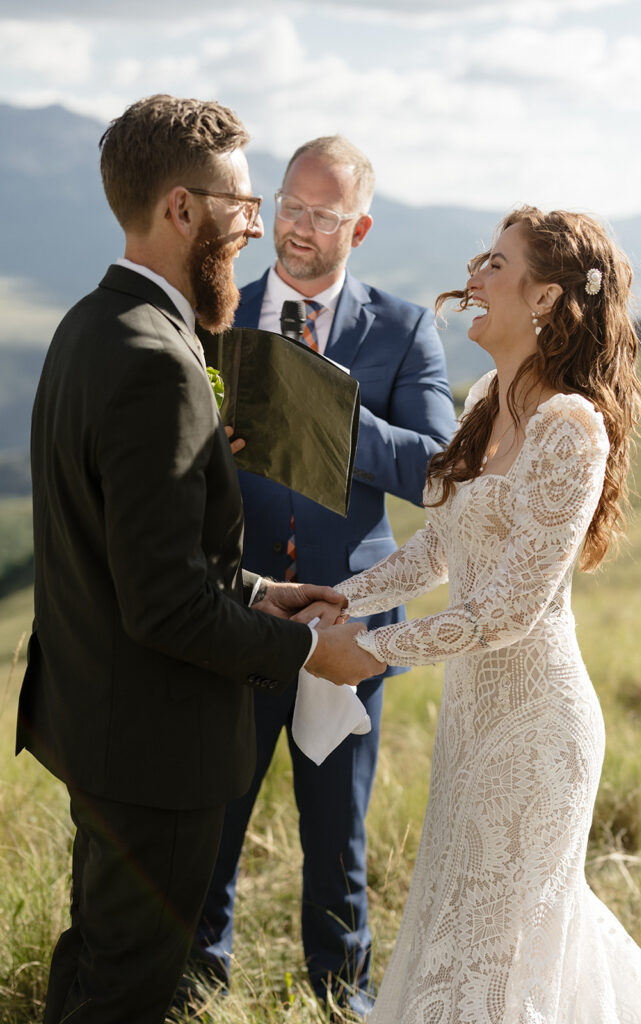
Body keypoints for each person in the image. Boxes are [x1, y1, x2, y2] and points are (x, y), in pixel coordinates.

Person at [14, 95, 383, 1024]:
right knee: (130, 992)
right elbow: (166, 605)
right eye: (243, 204)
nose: (255, 228)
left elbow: (145, 552)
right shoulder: (157, 361)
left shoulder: (91, 327)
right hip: (153, 751)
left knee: (95, 963)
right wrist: (307, 652)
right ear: (181, 208)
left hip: (97, 728)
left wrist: (265, 590)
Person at [332, 206, 641, 1022]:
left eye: (496, 262)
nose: (473, 275)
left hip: (537, 730)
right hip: (471, 722)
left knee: (500, 952)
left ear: (548, 299)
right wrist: (336, 601)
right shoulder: (488, 396)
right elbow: (438, 552)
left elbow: (506, 613)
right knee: (459, 936)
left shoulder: (572, 429)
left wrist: (373, 649)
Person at [195, 135, 456, 1014]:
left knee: (338, 834)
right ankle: (199, 992)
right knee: (214, 819)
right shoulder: (216, 312)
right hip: (233, 613)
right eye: (288, 208)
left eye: (322, 216)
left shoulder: (403, 329)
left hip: (350, 624)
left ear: (362, 227)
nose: (298, 230)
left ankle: (342, 1000)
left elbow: (433, 470)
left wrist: (323, 401)